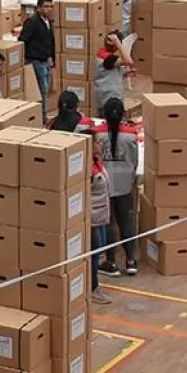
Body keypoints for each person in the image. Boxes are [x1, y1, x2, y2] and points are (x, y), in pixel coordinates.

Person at [93, 98, 140, 277]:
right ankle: (130, 261)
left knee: (109, 223)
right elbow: (135, 160)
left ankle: (111, 261)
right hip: (125, 184)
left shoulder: (97, 134)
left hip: (104, 184)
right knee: (126, 221)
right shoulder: (131, 134)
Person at [81, 129, 113, 305]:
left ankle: (95, 284)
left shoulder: (98, 161)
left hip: (102, 214)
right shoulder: (87, 169)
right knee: (94, 252)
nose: (100, 145)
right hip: (92, 217)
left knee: (99, 250)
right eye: (96, 142)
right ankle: (92, 287)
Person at [18, 0, 56, 119]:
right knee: (41, 90)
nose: (49, 9)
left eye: (51, 7)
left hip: (45, 60)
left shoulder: (48, 21)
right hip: (36, 61)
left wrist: (52, 58)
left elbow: (50, 41)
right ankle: (41, 116)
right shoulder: (32, 22)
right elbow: (23, 40)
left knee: (46, 89)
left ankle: (43, 114)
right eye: (46, 7)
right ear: (38, 8)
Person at [94, 30, 133, 112]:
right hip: (109, 98)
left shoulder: (102, 52)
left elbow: (111, 72)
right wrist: (118, 43)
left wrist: (125, 73)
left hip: (104, 96)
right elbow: (129, 61)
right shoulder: (107, 58)